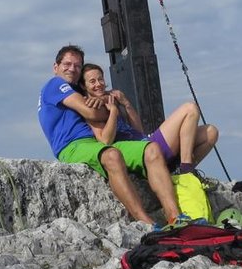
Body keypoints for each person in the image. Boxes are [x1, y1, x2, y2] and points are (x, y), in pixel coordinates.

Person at [37, 44, 184, 226]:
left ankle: (176, 218)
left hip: (96, 145)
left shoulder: (76, 92)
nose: (72, 69)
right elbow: (91, 113)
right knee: (112, 155)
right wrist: (110, 107)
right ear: (56, 67)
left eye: (77, 65)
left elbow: (99, 111)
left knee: (152, 149)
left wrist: (104, 101)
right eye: (67, 64)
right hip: (73, 146)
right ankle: (147, 224)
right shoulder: (55, 84)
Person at [80, 63, 219, 176]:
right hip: (144, 152)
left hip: (145, 141)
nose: (98, 84)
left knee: (211, 132)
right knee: (190, 108)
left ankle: (178, 168)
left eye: (100, 79)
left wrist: (126, 104)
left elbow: (139, 130)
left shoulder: (111, 99)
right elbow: (105, 141)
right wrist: (113, 112)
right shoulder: (92, 109)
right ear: (83, 86)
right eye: (92, 81)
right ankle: (187, 170)